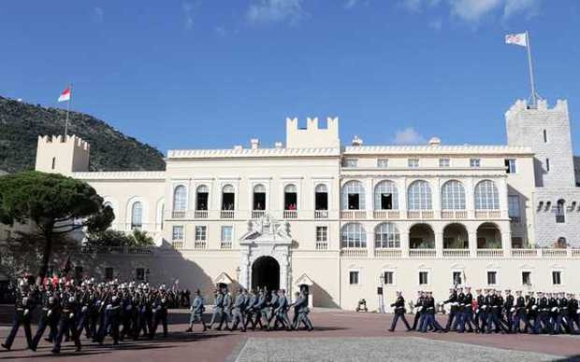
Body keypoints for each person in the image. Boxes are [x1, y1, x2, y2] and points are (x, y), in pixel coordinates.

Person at [2, 281, 34, 351]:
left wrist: (29, 309)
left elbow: (33, 303)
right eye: (21, 286)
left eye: (23, 287)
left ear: (26, 287)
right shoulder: (18, 293)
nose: (22, 288)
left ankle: (31, 345)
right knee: (14, 330)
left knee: (27, 330)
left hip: (25, 313)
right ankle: (8, 344)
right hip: (18, 313)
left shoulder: (29, 294)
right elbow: (14, 301)